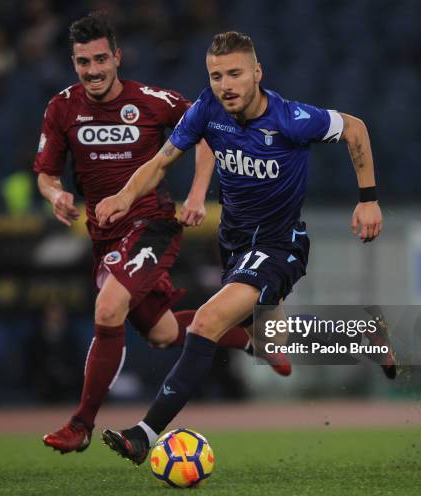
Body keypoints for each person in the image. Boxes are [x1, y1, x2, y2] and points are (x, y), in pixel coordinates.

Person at [95, 31, 395, 464]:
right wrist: (124, 197)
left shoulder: (291, 118)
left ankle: (145, 433)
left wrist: (369, 200)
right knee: (273, 342)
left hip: (280, 245)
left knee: (206, 322)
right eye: (217, 75)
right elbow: (162, 161)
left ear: (257, 73)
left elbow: (355, 128)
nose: (225, 84)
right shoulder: (207, 109)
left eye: (235, 73)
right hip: (234, 243)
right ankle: (361, 335)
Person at [34, 15, 289, 455]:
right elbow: (45, 173)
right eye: (82, 62)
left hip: (151, 225)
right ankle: (251, 338)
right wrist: (55, 193)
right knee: (163, 333)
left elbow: (208, 135)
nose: (92, 70)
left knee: (109, 306)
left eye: (100, 59)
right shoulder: (61, 108)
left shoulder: (153, 101)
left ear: (117, 57)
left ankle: (81, 424)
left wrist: (195, 194)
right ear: (73, 63)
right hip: (105, 236)